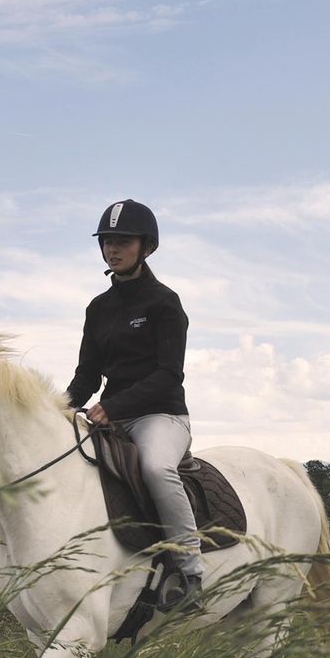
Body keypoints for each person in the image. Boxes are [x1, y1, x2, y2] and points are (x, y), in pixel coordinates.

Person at [65, 199, 203, 609]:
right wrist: (58, 406)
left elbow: (168, 375)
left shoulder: (165, 303)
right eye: (107, 241)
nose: (113, 248)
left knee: (156, 468)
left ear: (146, 245)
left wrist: (116, 405)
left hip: (160, 415)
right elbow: (88, 375)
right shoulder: (98, 308)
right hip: (110, 418)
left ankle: (191, 572)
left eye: (123, 241)